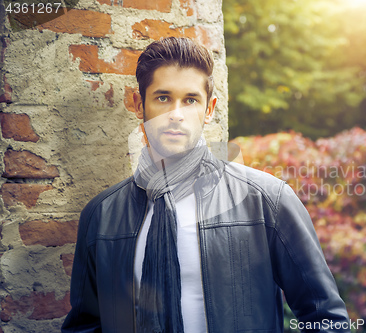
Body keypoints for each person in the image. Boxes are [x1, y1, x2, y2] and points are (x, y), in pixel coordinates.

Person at [62, 37, 349, 333]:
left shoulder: (266, 199)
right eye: (163, 98)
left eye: (190, 99)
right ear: (139, 105)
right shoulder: (101, 215)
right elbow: (86, 325)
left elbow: (325, 316)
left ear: (209, 109)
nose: (177, 113)